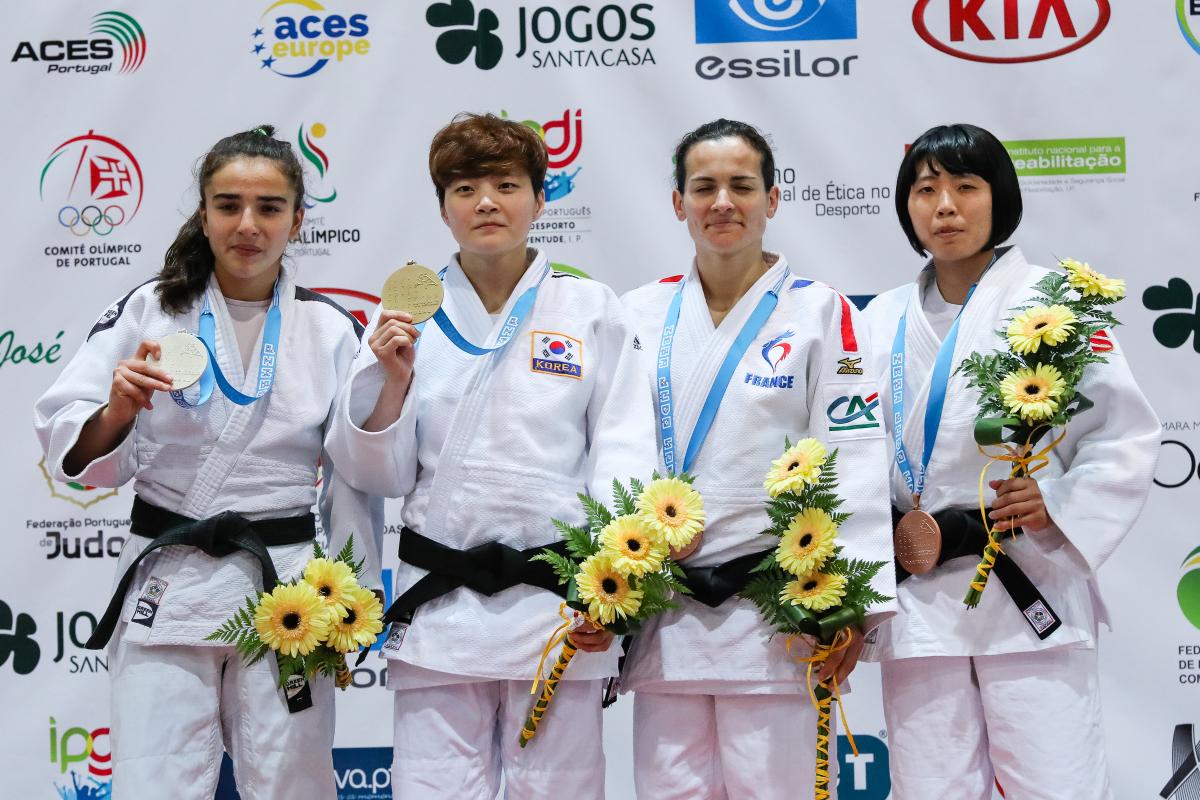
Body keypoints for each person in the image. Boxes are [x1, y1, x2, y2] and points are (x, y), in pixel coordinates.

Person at [34, 126, 377, 800]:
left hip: (287, 596)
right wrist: (117, 411)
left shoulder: (330, 328)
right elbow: (69, 442)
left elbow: (356, 477)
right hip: (171, 583)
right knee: (154, 783)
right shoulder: (152, 310)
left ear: (297, 220)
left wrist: (352, 596)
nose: (247, 225)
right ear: (204, 214)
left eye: (269, 207)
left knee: (293, 784)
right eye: (228, 205)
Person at [323, 113, 656, 799]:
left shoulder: (591, 308)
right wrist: (387, 382)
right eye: (466, 187)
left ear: (540, 198)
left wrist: (614, 590)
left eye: (507, 185)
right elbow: (371, 474)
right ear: (443, 206)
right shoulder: (404, 317)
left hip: (560, 609)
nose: (486, 202)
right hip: (440, 609)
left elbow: (626, 451)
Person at [860, 123, 1161, 799]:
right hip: (918, 599)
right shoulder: (876, 321)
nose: (944, 206)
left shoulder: (1058, 305)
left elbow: (1124, 436)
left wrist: (1056, 502)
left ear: (1000, 199)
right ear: (906, 206)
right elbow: (847, 453)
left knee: (1057, 784)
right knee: (928, 787)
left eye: (966, 187)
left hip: (1029, 588)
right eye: (925, 188)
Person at [619, 118, 895, 800]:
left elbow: (854, 458)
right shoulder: (636, 314)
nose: (723, 202)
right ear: (677, 202)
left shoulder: (822, 313)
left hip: (778, 617)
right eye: (703, 186)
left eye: (742, 186)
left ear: (772, 200)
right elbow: (613, 456)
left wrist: (852, 603)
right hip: (668, 612)